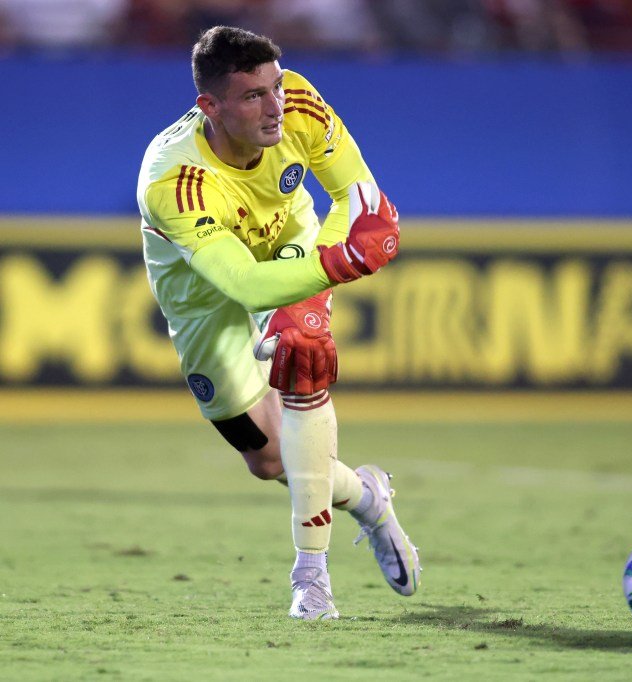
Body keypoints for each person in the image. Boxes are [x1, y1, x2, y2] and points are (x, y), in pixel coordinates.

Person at [136, 26, 419, 619]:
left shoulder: (299, 103)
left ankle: (311, 579)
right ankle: (368, 497)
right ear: (208, 106)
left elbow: (356, 197)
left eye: (275, 87)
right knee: (266, 462)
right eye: (252, 96)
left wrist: (322, 268)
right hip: (204, 295)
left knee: (303, 352)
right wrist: (341, 263)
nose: (274, 107)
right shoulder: (174, 180)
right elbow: (239, 283)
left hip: (291, 245)